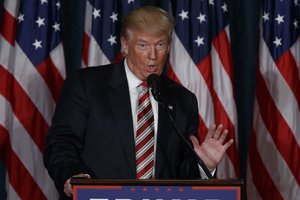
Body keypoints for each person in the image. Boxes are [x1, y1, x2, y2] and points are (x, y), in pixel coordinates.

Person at [43, 6, 234, 199]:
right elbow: (60, 143)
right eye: (143, 45)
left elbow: (182, 174)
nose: (153, 55)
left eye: (160, 45)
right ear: (125, 45)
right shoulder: (86, 85)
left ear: (168, 47)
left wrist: (204, 166)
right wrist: (74, 176)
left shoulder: (183, 100)